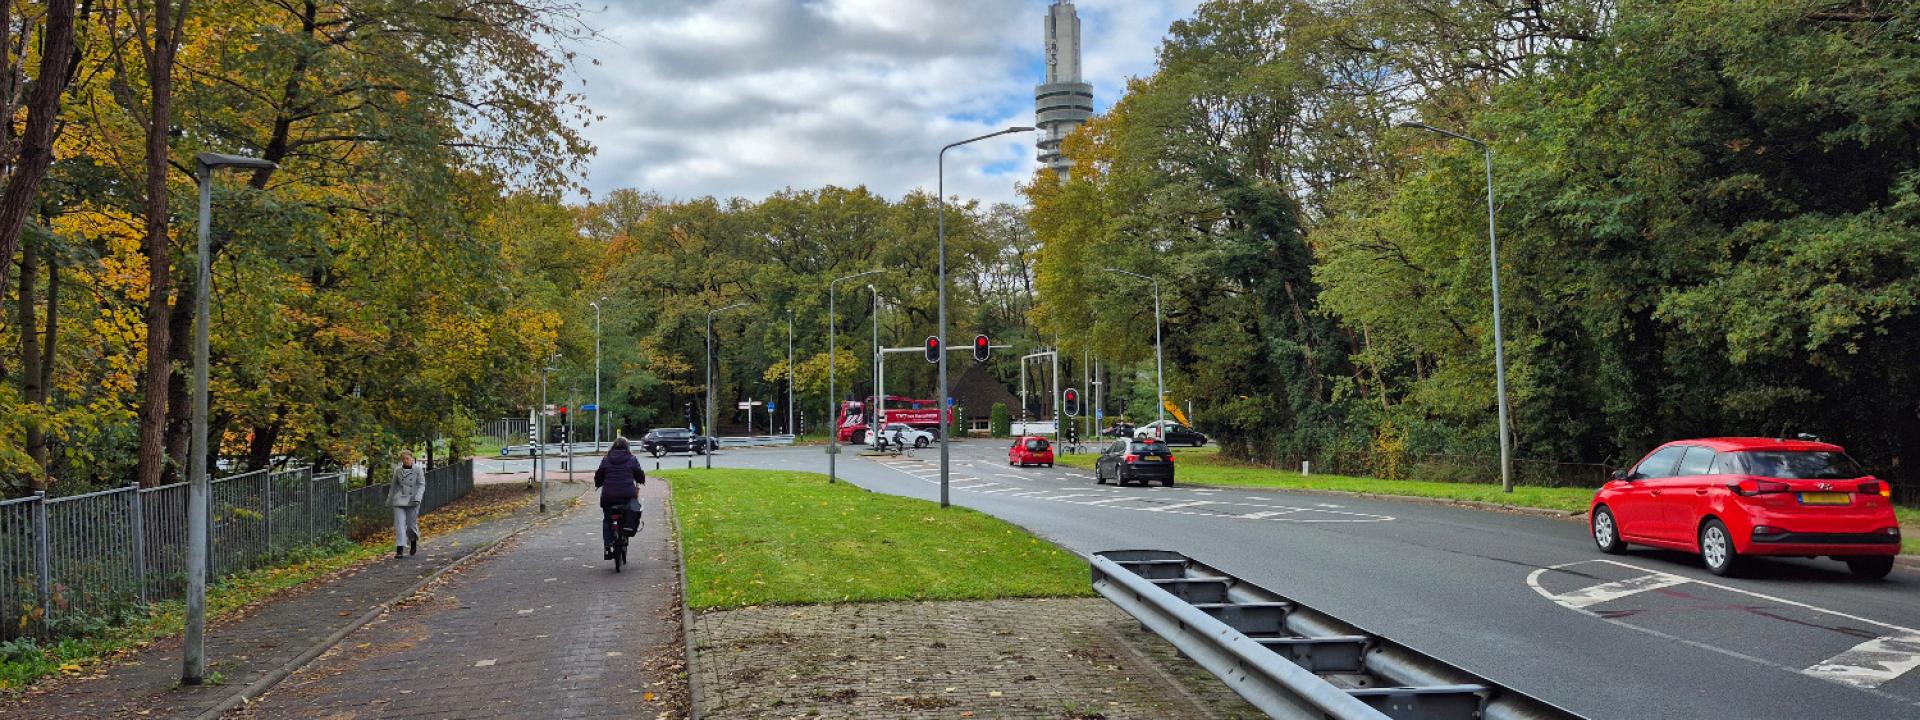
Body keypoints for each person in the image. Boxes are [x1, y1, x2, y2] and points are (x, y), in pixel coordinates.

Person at [593, 437, 646, 560]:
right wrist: (641, 480)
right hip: (627, 495)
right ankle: (625, 531)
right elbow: (639, 474)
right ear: (627, 447)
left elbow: (599, 475)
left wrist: (598, 483)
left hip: (608, 496)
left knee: (607, 520)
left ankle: (607, 546)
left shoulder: (606, 459)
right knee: (629, 514)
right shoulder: (632, 459)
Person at [389, 450, 427, 559]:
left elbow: (421, 485)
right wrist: (389, 500)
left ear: (412, 459)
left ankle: (413, 541)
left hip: (413, 500)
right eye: (403, 459)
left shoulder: (418, 470)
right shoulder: (398, 470)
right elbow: (393, 487)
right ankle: (399, 549)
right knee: (400, 525)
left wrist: (418, 497)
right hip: (399, 500)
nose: (405, 461)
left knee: (410, 525)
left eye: (407, 458)